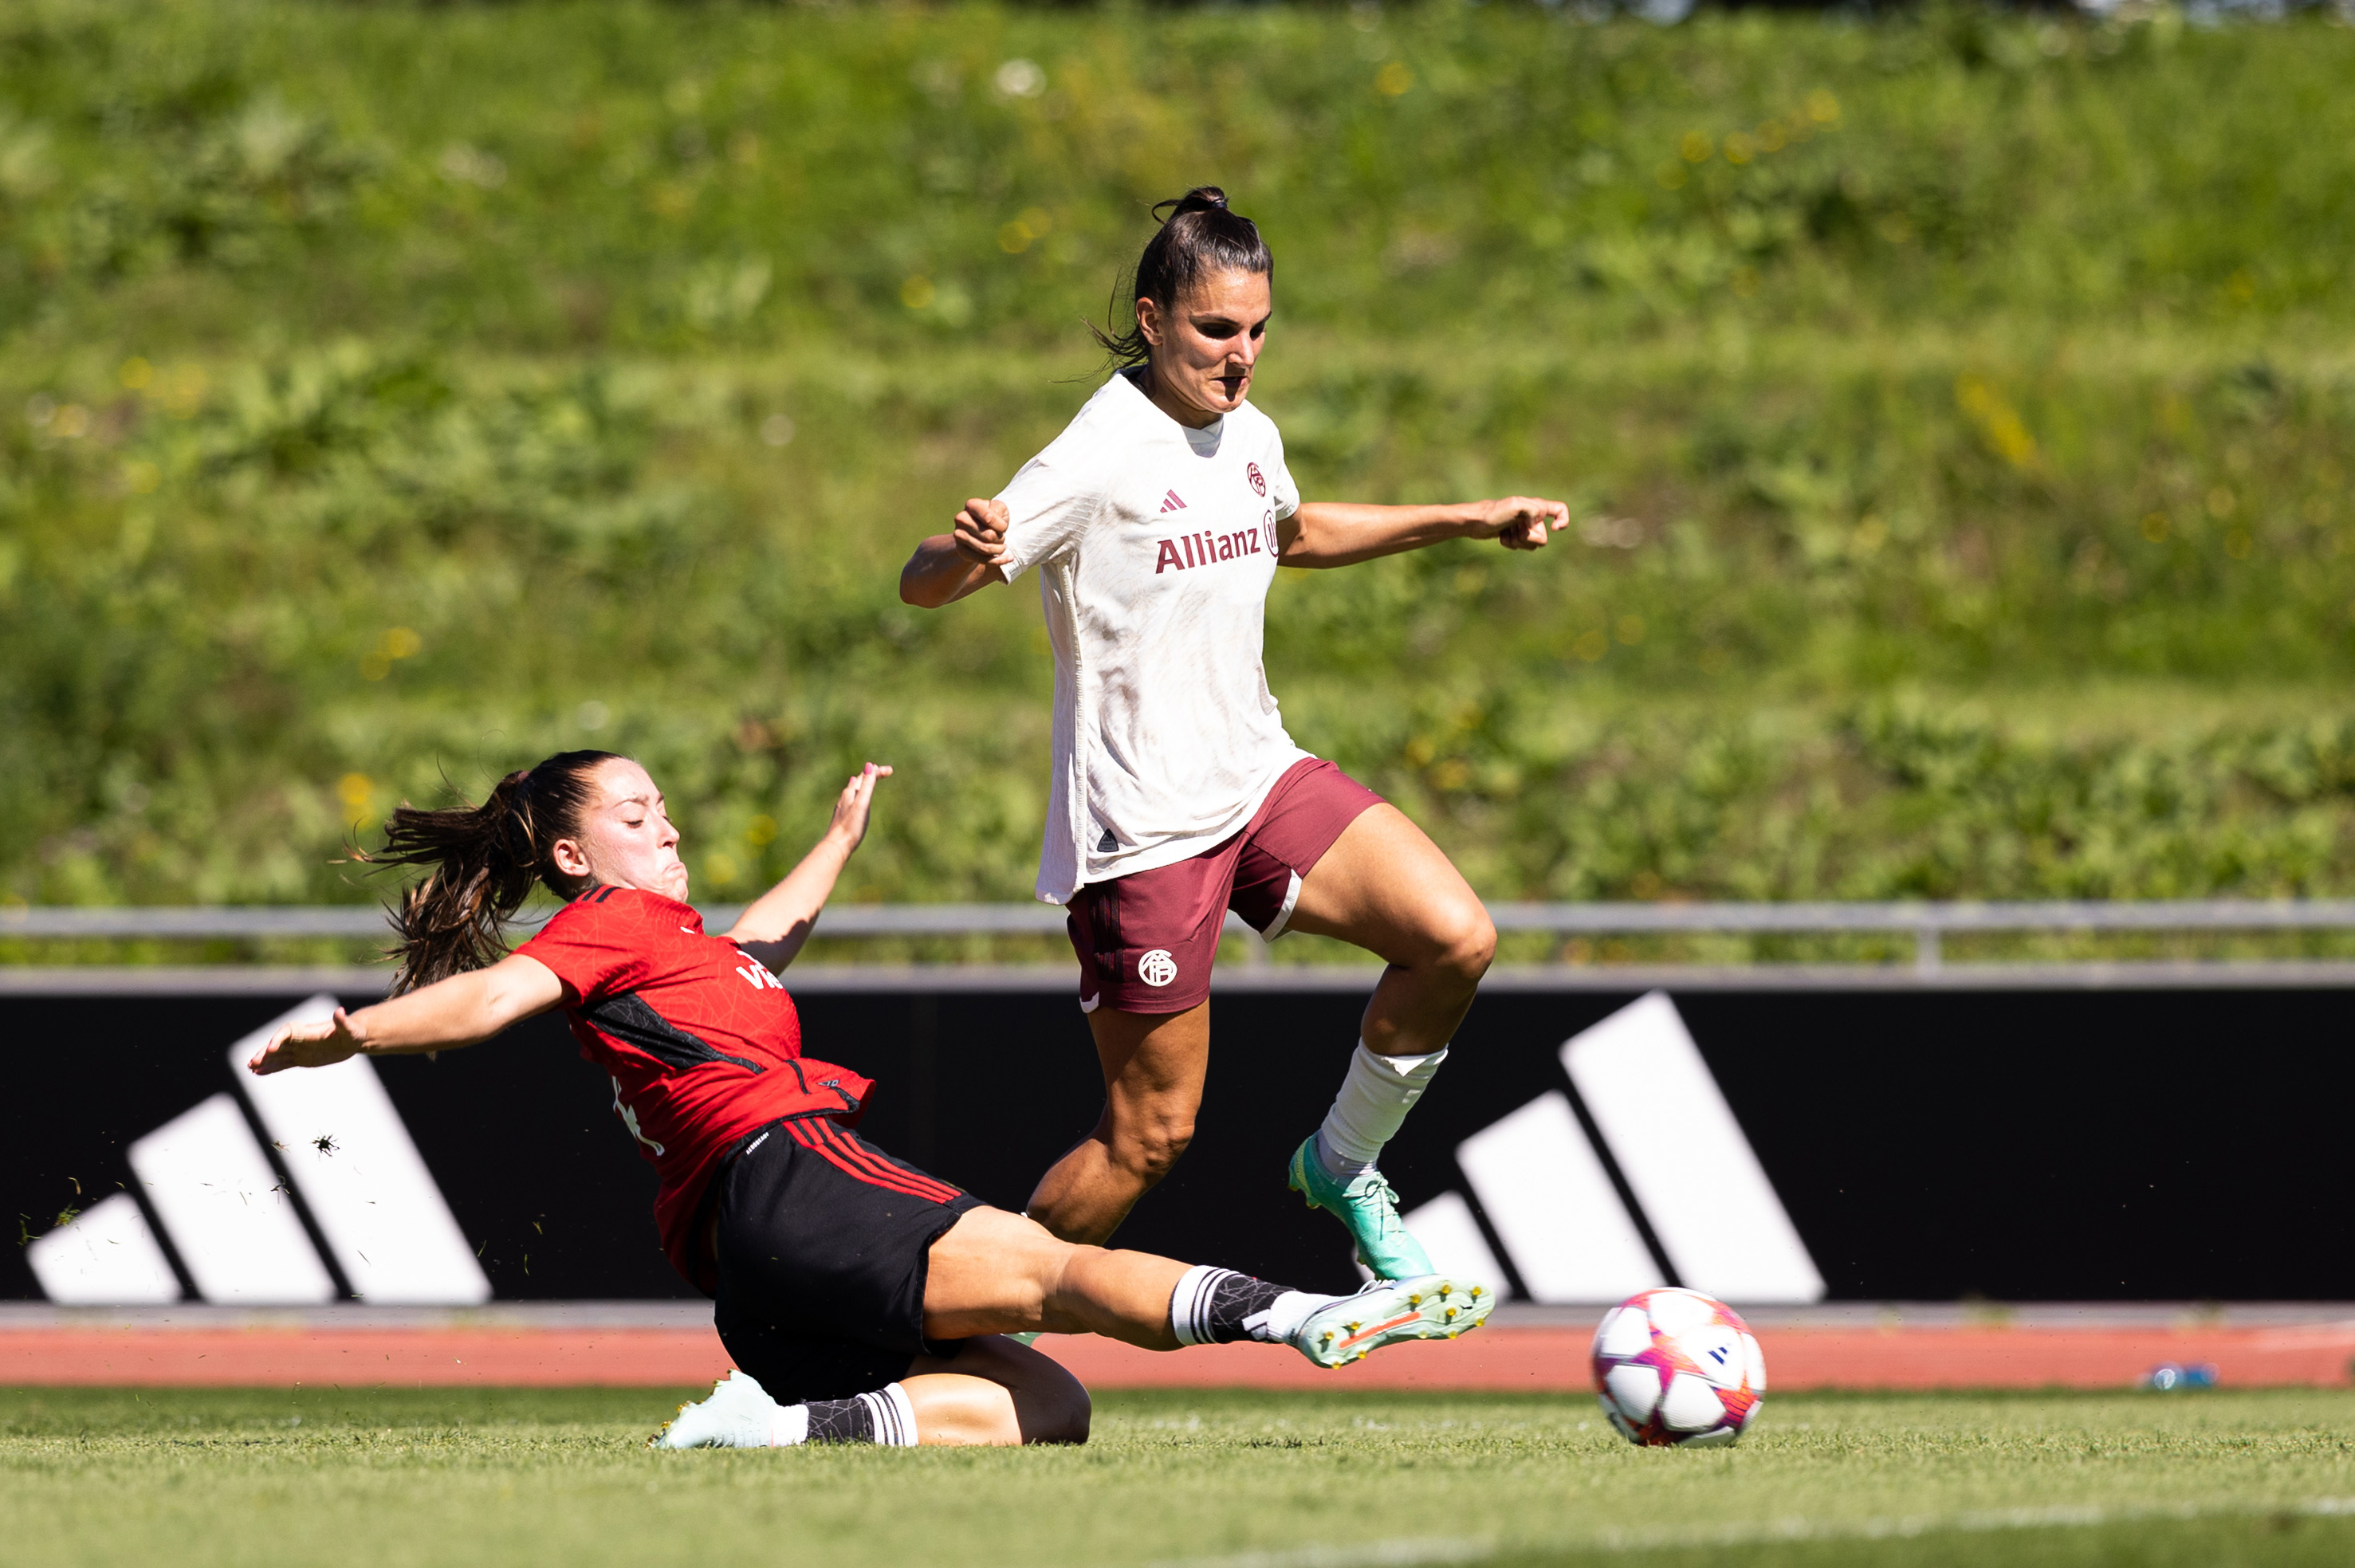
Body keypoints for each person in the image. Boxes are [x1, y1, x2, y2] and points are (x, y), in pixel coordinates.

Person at [247, 749, 1492, 1448]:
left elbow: (766, 938)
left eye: (664, 804)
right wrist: (353, 1036)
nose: (664, 823)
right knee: (1050, 1270)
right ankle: (1307, 1317)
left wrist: (840, 838)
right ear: (573, 857)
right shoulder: (603, 927)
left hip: (749, 1270)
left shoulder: (673, 950)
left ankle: (776, 1430)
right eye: (636, 813)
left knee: (1047, 1407)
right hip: (790, 1174)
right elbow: (483, 1000)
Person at [895, 187, 1567, 1282]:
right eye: (1217, 330)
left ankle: (1341, 1166)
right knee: (1146, 1140)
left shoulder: (1248, 430)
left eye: (1257, 329)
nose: (1242, 353)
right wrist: (959, 549)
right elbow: (925, 585)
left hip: (1256, 776)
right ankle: (957, 1315)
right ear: (1152, 318)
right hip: (1144, 824)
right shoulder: (1097, 450)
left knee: (1455, 937)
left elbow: (1291, 532)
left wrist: (1465, 518)